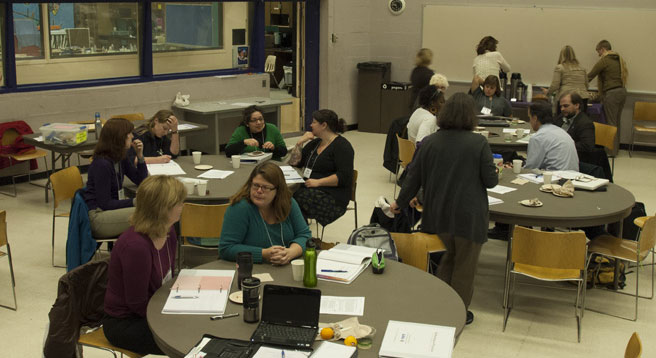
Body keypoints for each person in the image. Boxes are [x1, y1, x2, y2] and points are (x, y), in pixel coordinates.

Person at [391, 93, 498, 325]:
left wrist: (399, 203)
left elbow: (412, 178)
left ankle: (439, 305)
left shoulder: (429, 142)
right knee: (464, 267)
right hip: (469, 217)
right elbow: (491, 181)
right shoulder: (478, 143)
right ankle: (458, 312)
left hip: (437, 215)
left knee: (447, 260)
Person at [102, 175, 185, 355]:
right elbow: (137, 304)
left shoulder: (168, 230)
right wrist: (172, 318)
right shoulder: (136, 247)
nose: (182, 206)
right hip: (126, 322)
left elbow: (168, 276)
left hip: (154, 306)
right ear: (163, 208)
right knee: (188, 339)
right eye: (178, 203)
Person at [219, 162, 310, 264]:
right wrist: (264, 253)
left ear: (278, 190)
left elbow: (304, 235)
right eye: (255, 185)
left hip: (285, 266)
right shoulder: (240, 207)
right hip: (250, 268)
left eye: (265, 187)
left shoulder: (288, 203)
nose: (259, 191)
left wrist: (291, 252)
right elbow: (226, 249)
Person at [85, 118, 148, 239]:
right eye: (128, 134)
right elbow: (105, 203)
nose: (132, 136)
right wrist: (136, 201)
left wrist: (140, 156)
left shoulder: (119, 157)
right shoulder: (102, 164)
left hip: (110, 211)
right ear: (119, 138)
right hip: (98, 217)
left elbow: (140, 179)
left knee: (150, 210)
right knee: (149, 214)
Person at [289, 109, 354, 226]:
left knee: (294, 200)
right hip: (310, 189)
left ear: (324, 125)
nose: (311, 125)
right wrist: (299, 143)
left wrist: (318, 182)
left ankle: (302, 235)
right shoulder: (315, 143)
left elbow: (344, 177)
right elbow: (295, 162)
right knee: (284, 196)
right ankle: (300, 234)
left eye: (314, 122)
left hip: (333, 197)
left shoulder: (342, 147)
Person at [587, 40, 628, 156]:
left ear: (602, 49)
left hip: (612, 93)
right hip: (622, 92)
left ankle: (610, 151)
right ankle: (615, 149)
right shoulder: (619, 59)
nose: (598, 55)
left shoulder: (605, 60)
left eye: (598, 52)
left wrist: (579, 83)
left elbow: (591, 75)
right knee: (616, 122)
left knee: (610, 123)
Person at [525, 101, 579, 171]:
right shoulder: (561, 131)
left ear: (535, 118)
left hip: (554, 178)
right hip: (574, 177)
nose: (530, 121)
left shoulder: (537, 138)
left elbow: (530, 168)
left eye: (529, 118)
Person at [543, 45, 590, 112]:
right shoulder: (582, 68)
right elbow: (587, 85)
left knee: (563, 121)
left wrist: (548, 93)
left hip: (566, 99)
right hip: (582, 98)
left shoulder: (560, 67)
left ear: (562, 55)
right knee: (581, 120)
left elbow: (555, 85)